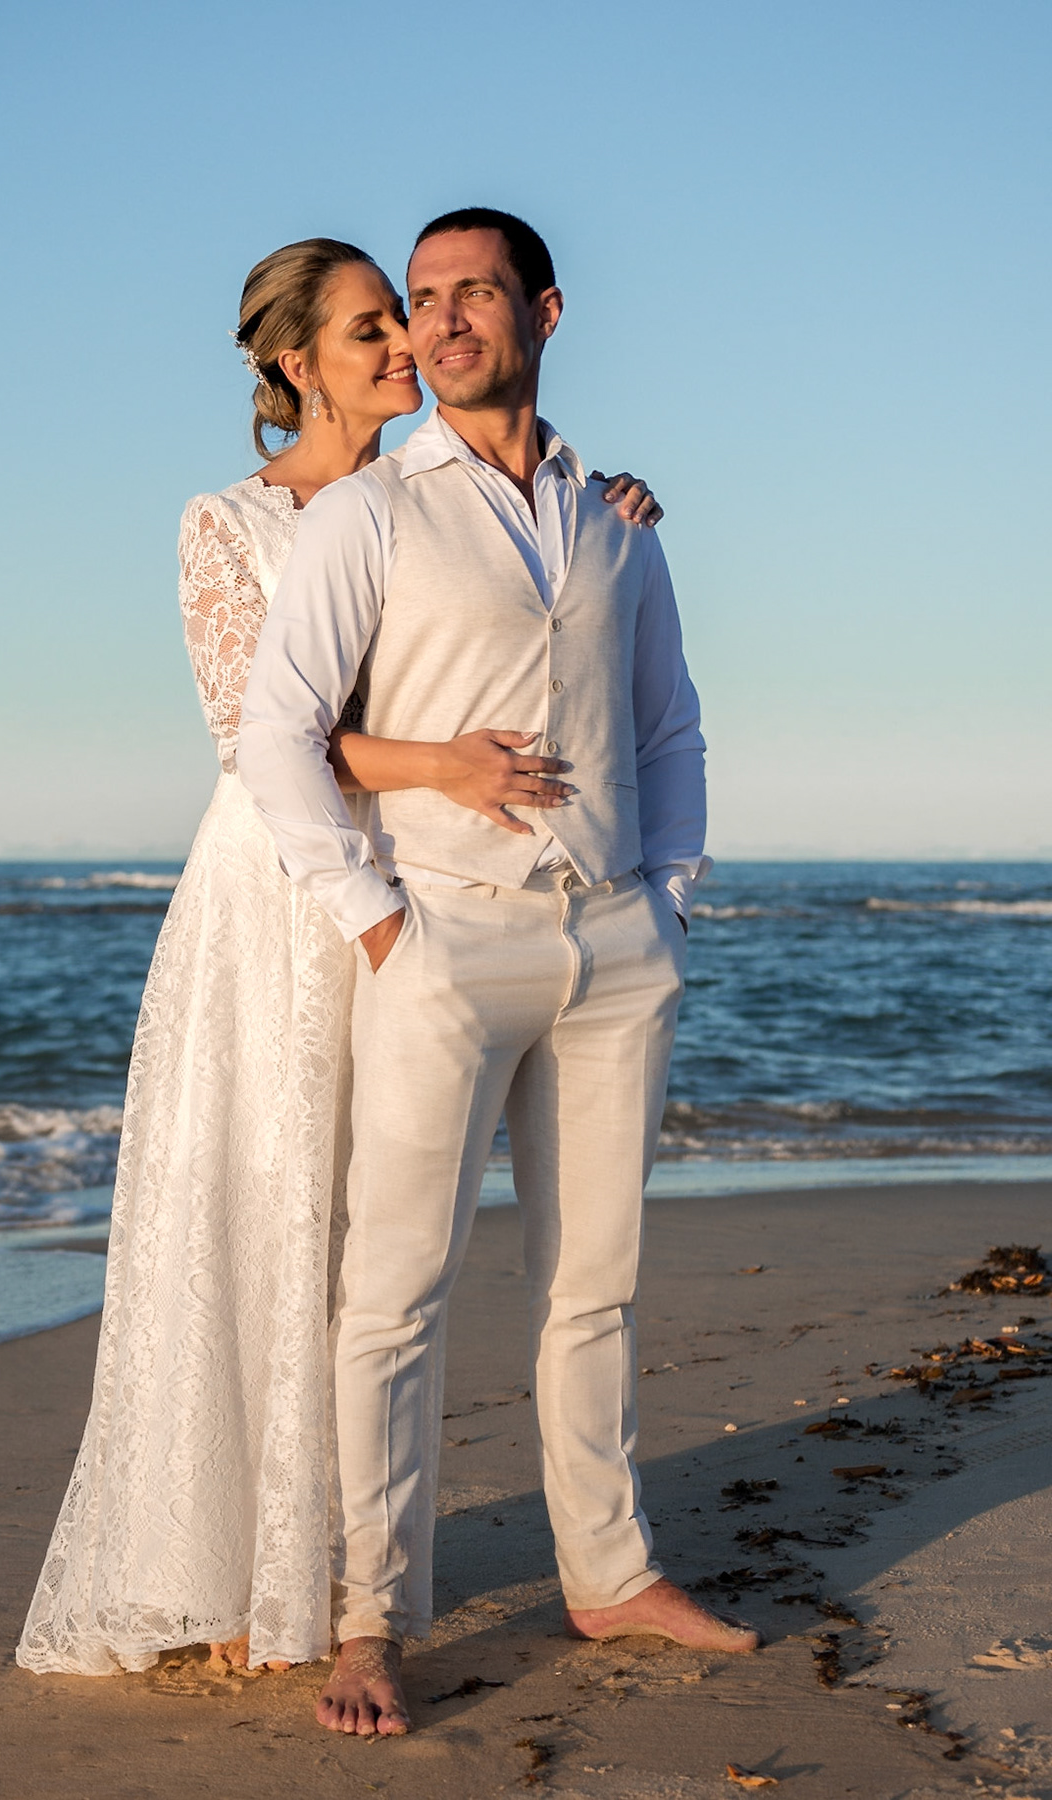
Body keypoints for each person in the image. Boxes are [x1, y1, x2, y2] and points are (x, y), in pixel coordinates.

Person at [15, 235, 659, 1679]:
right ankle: (250, 1567)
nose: (401, 344)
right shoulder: (236, 521)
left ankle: (348, 1568)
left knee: (365, 1242)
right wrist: (438, 766)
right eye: (369, 327)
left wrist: (611, 502)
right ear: (294, 362)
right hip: (287, 898)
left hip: (431, 885)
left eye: (407, 319)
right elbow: (257, 738)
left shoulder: (442, 501)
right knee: (270, 1219)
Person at [238, 207, 759, 1739]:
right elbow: (281, 729)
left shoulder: (614, 519)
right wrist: (373, 916)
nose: (444, 320)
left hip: (612, 949)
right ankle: (371, 1620)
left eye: (473, 294)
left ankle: (609, 1572)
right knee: (396, 1296)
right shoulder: (372, 514)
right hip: (443, 937)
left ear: (543, 308)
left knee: (592, 1284)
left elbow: (669, 726)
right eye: (421, 300)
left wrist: (665, 897)